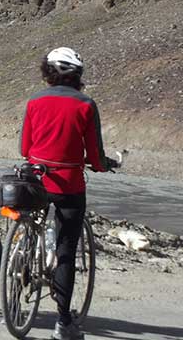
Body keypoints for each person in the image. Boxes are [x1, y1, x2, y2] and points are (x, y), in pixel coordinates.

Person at [21, 47, 116, 340]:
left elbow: (25, 149)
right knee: (65, 252)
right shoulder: (86, 105)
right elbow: (96, 155)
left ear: (47, 72)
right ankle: (63, 323)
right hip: (69, 185)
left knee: (29, 225)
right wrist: (102, 165)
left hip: (35, 181)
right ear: (78, 76)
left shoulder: (35, 101)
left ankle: (20, 278)